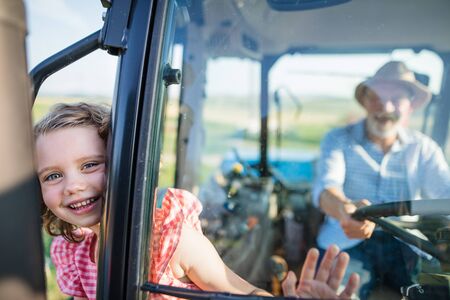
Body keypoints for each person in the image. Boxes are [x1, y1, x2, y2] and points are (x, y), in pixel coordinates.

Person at [35, 102, 359, 300]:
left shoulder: (170, 240)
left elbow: (242, 294)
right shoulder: (72, 250)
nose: (73, 186)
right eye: (52, 175)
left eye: (90, 165)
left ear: (126, 161)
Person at [313, 61, 450, 299]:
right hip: (348, 240)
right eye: (376, 97)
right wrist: (346, 211)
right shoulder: (337, 139)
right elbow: (326, 189)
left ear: (410, 106)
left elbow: (446, 193)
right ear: (365, 101)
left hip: (407, 243)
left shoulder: (424, 149)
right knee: (335, 295)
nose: (385, 106)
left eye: (396, 98)